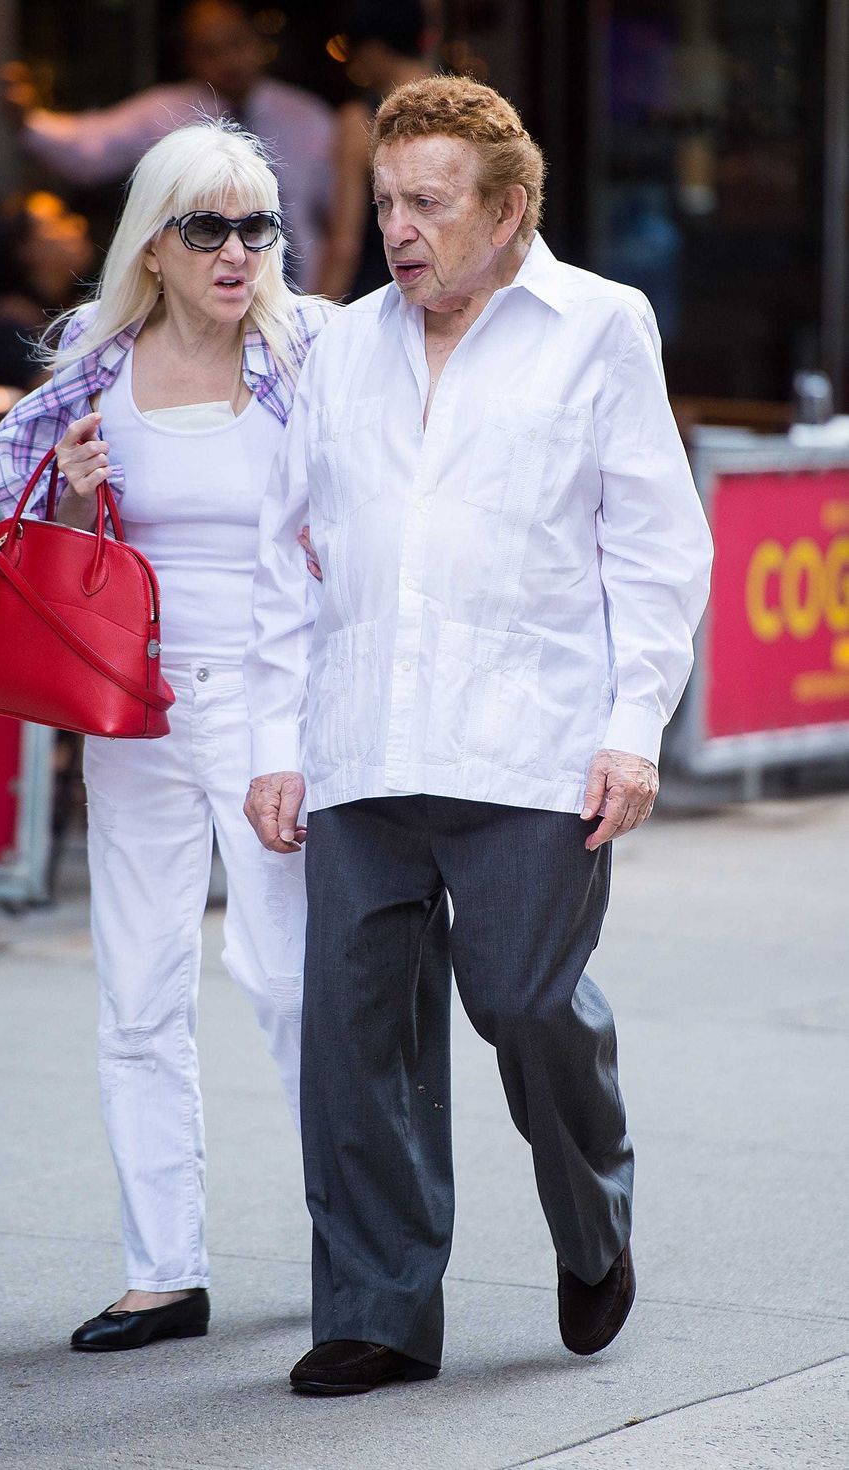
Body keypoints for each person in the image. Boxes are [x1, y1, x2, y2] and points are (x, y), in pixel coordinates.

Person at [243, 75, 714, 1394]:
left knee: (521, 997)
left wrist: (635, 730)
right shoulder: (336, 345)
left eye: (430, 203)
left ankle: (590, 1211)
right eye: (387, 200)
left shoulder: (600, 327)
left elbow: (658, 552)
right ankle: (380, 1309)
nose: (400, 226)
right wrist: (276, 738)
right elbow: (287, 556)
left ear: (508, 210)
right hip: (359, 734)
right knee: (355, 1028)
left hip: (531, 737)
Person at [0, 121, 334, 1352]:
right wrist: (76, 483)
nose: (238, 253)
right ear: (157, 242)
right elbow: (42, 514)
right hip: (129, 699)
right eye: (208, 229)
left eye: (258, 228)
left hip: (269, 700)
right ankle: (161, 1271)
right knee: (137, 985)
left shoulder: (310, 348)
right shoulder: (96, 359)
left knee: (288, 980)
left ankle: (348, 1248)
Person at [0, 0, 333, 289]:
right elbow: (93, 146)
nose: (229, 60)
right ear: (190, 58)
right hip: (205, 295)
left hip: (301, 290)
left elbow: (339, 217)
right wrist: (30, 122)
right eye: (210, 51)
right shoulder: (164, 112)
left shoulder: (308, 116)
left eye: (236, 43)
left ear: (258, 42)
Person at [317, 0, 432, 301]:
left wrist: (315, 324)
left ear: (373, 47)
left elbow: (345, 244)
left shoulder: (360, 122)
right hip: (449, 289)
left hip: (380, 292)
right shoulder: (465, 114)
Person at [0, 190, 94, 391]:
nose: (78, 224)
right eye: (58, 221)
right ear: (25, 250)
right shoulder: (7, 326)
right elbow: (55, 395)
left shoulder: (72, 309)